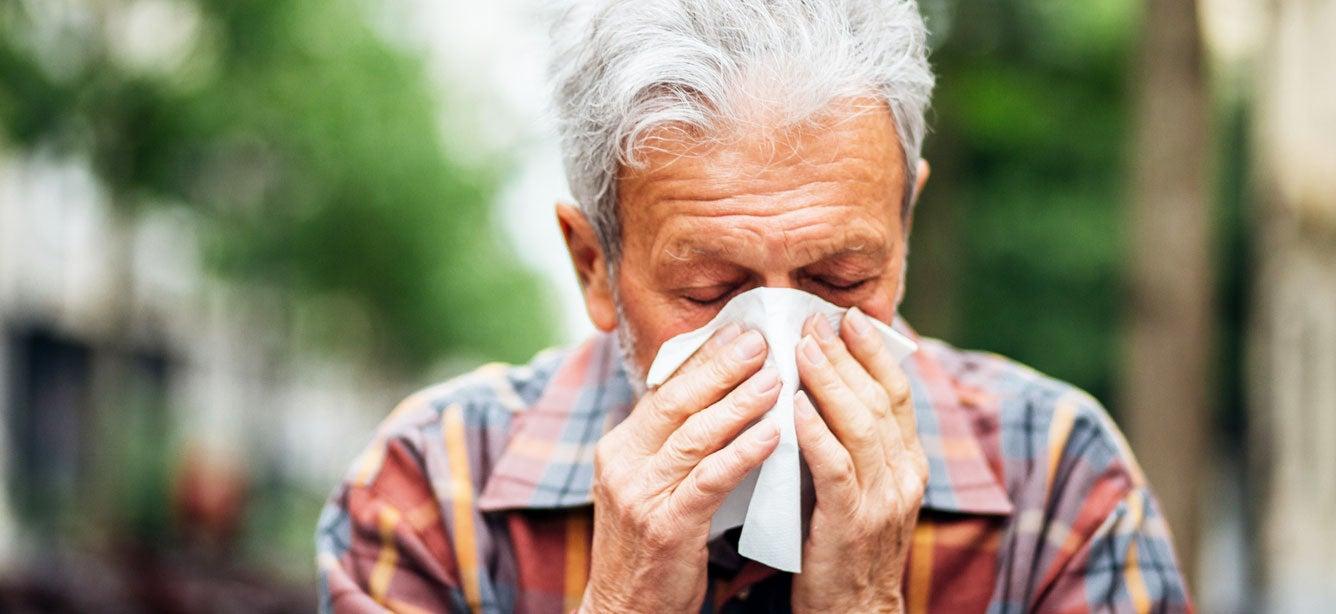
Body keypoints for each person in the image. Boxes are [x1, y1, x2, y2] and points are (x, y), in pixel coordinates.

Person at [315, 1, 1193, 611]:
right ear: (595, 266)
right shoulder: (432, 491)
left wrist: (861, 603)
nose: (782, 340)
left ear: (907, 226)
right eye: (710, 290)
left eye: (842, 278)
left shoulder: (1060, 484)